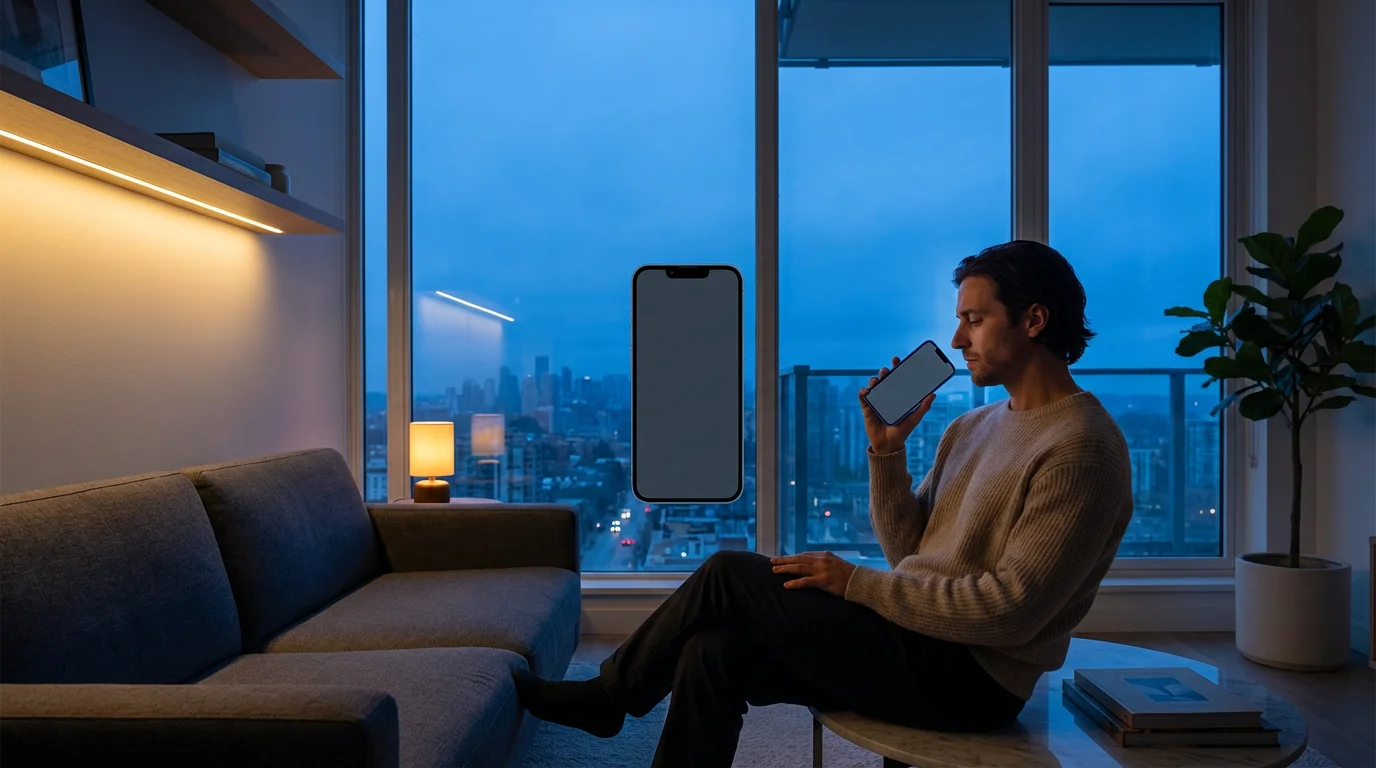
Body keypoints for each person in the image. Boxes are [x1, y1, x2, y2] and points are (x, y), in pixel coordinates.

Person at [513, 240, 1134, 768]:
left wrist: (855, 585)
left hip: (971, 677)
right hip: (913, 637)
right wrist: (887, 453)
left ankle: (607, 699)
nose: (955, 337)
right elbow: (912, 551)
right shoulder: (970, 428)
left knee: (731, 572)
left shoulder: (1080, 447)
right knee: (712, 653)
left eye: (974, 319)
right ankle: (612, 703)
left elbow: (1011, 614)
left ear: (1032, 320)